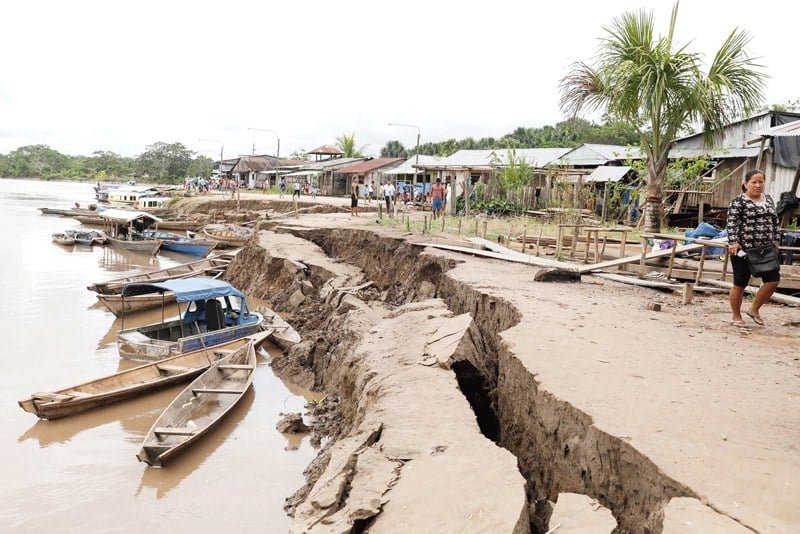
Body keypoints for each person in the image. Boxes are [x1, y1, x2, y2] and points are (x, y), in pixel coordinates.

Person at [726, 169, 781, 327]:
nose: (757, 185)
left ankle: (754, 309)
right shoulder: (739, 201)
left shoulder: (768, 199)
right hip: (743, 249)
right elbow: (731, 223)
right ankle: (736, 316)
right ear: (746, 184)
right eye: (754, 182)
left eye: (761, 182)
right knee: (740, 282)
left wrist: (776, 239)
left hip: (766, 249)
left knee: (773, 280)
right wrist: (733, 242)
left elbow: (774, 221)